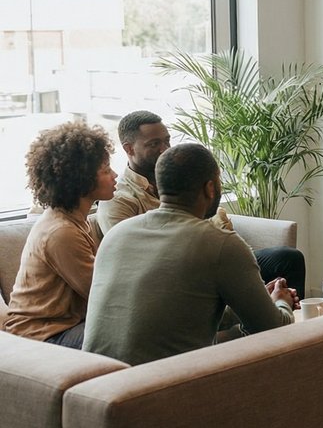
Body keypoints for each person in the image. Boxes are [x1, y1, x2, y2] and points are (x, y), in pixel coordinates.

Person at [82, 143, 297, 366]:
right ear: (210, 188)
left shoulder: (116, 234)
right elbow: (274, 330)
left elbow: (175, 313)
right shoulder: (220, 243)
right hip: (162, 388)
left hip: (99, 385)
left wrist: (259, 298)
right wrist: (281, 303)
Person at [96, 110, 307, 294]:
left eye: (167, 140)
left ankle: (300, 333)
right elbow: (132, 256)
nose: (165, 149)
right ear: (129, 148)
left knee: (287, 258)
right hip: (181, 271)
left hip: (215, 257)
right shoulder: (119, 198)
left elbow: (212, 217)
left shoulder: (179, 175)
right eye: (154, 144)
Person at [3, 122, 115, 347]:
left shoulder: (74, 221)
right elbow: (101, 293)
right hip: (41, 336)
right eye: (105, 170)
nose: (114, 174)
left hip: (66, 326)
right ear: (81, 179)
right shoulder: (61, 232)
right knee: (127, 333)